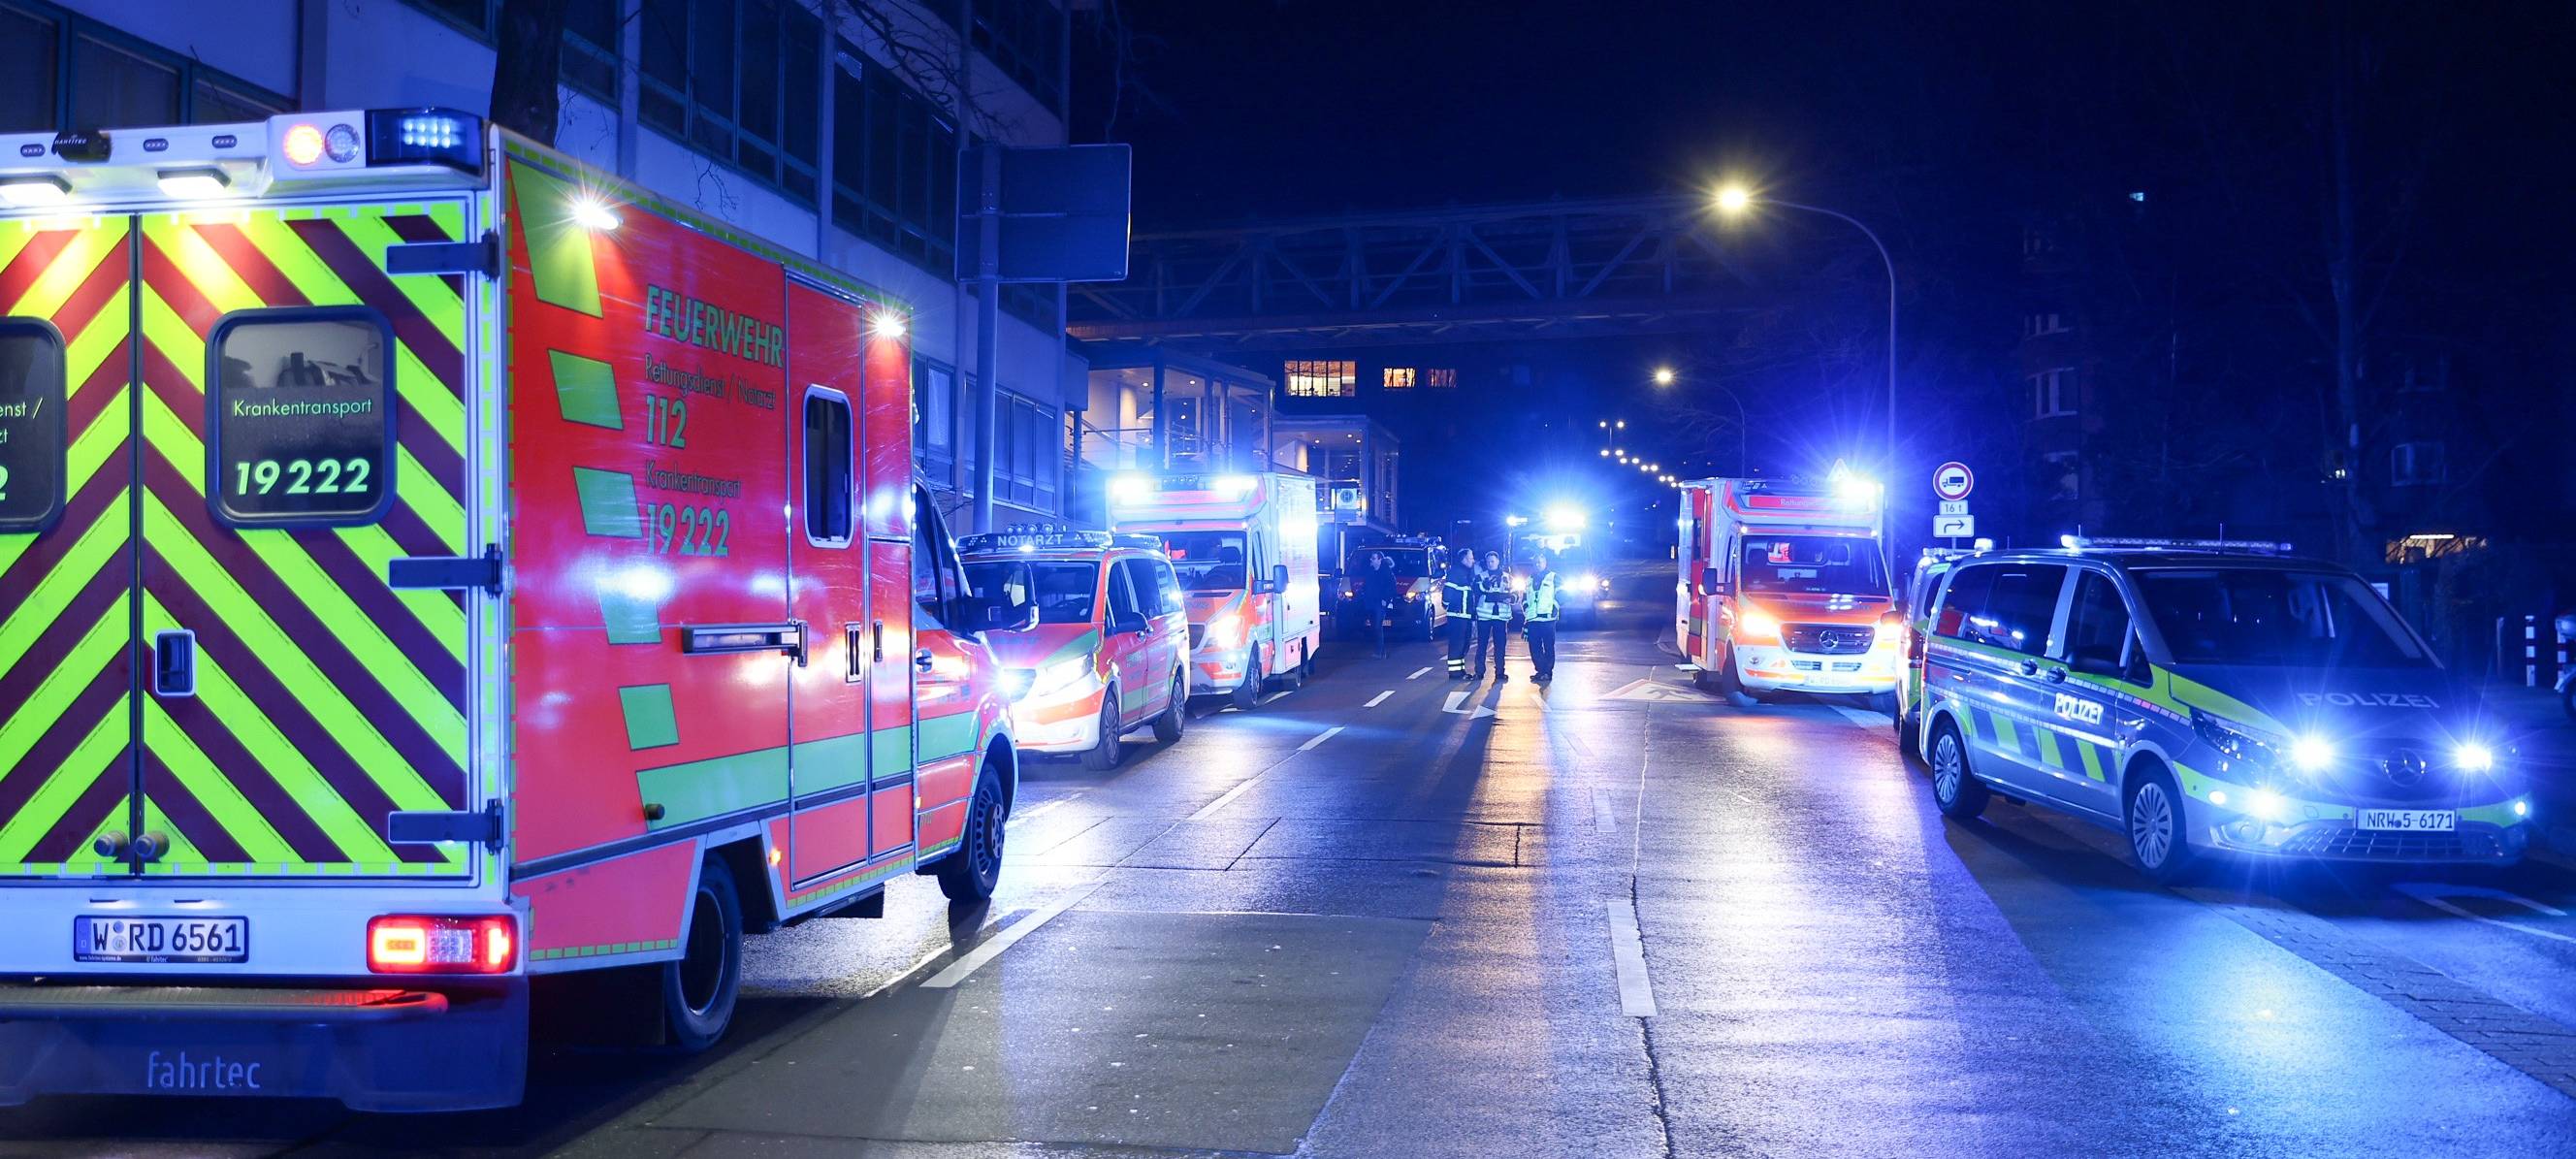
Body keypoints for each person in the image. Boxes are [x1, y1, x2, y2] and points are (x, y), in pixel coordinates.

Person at [1472, 549, 1514, 680]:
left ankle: (1500, 672)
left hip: (1501, 616)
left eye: (1493, 561)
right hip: (1485, 615)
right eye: (1488, 561)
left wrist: (1512, 599)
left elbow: (1516, 593)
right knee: (1482, 644)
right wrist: (1486, 584)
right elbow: (1477, 590)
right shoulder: (1481, 576)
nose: (1490, 564)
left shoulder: (1507, 577)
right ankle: (1479, 672)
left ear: (1498, 562)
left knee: (1500, 645)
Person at [1524, 549, 1562, 684]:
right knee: (1534, 647)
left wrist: (1554, 607)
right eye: (1535, 563)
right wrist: (1526, 611)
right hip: (1533, 619)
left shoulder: (1554, 577)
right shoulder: (1529, 579)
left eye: (1540, 562)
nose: (1538, 564)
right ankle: (1540, 671)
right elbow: (1524, 598)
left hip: (1548, 619)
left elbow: (1563, 594)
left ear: (1546, 563)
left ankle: (1547, 672)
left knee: (1549, 646)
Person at [1440, 547, 1475, 678]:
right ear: (1464, 559)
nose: (1473, 560)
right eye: (1471, 558)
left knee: (1464, 643)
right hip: (1457, 615)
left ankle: (1460, 671)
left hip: (1465, 615)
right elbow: (1447, 593)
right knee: (1457, 643)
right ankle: (1455, 673)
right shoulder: (1456, 572)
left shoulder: (1466, 573)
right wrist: (1448, 606)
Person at [1360, 551, 1400, 658]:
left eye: (1373, 558)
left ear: (1379, 560)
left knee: (1377, 626)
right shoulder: (1370, 572)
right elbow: (1366, 586)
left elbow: (1392, 588)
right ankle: (1381, 651)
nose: (1371, 560)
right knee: (1374, 627)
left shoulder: (1386, 573)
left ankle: (1379, 652)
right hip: (1370, 603)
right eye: (1371, 558)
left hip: (1380, 604)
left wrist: (1385, 600)